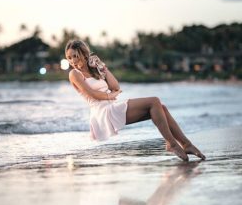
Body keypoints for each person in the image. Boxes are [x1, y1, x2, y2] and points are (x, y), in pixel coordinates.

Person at [65, 39, 205, 161]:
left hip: (111, 106)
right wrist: (110, 96)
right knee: (154, 101)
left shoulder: (94, 69)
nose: (72, 61)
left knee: (161, 108)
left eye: (75, 56)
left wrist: (102, 66)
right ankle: (172, 144)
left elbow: (115, 86)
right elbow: (91, 94)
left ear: (84, 54)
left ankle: (185, 144)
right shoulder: (74, 74)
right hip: (102, 112)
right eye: (69, 58)